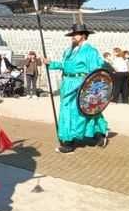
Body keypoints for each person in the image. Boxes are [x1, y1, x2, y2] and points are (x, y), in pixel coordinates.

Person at [44, 23, 109, 154]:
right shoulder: (69, 50)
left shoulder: (90, 50)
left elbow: (95, 69)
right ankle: (98, 135)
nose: (73, 37)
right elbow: (64, 65)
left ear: (83, 35)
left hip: (81, 84)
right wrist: (51, 63)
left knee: (75, 112)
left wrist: (89, 87)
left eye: (76, 34)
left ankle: (68, 142)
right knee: (76, 111)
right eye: (72, 34)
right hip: (67, 83)